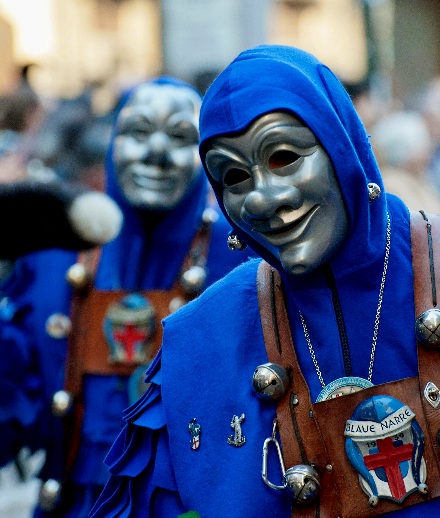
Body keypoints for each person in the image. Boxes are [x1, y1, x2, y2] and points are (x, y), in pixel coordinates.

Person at [92, 46, 440, 517]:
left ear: (343, 148)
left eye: (285, 157)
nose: (261, 198)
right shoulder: (201, 341)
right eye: (234, 175)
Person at [0, 76, 255, 517]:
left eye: (179, 136)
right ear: (113, 144)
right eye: (138, 131)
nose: (156, 151)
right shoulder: (52, 260)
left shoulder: (245, 259)